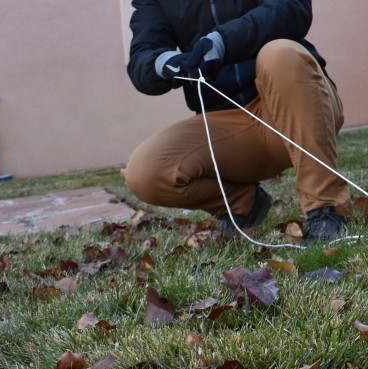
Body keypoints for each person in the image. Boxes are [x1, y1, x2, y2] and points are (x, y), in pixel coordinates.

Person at [123, 0, 351, 243]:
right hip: (230, 127)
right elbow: (142, 54)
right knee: (144, 172)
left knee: (279, 54)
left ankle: (327, 209)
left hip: (296, 103)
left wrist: (223, 41)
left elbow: (293, 8)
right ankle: (244, 202)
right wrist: (163, 64)